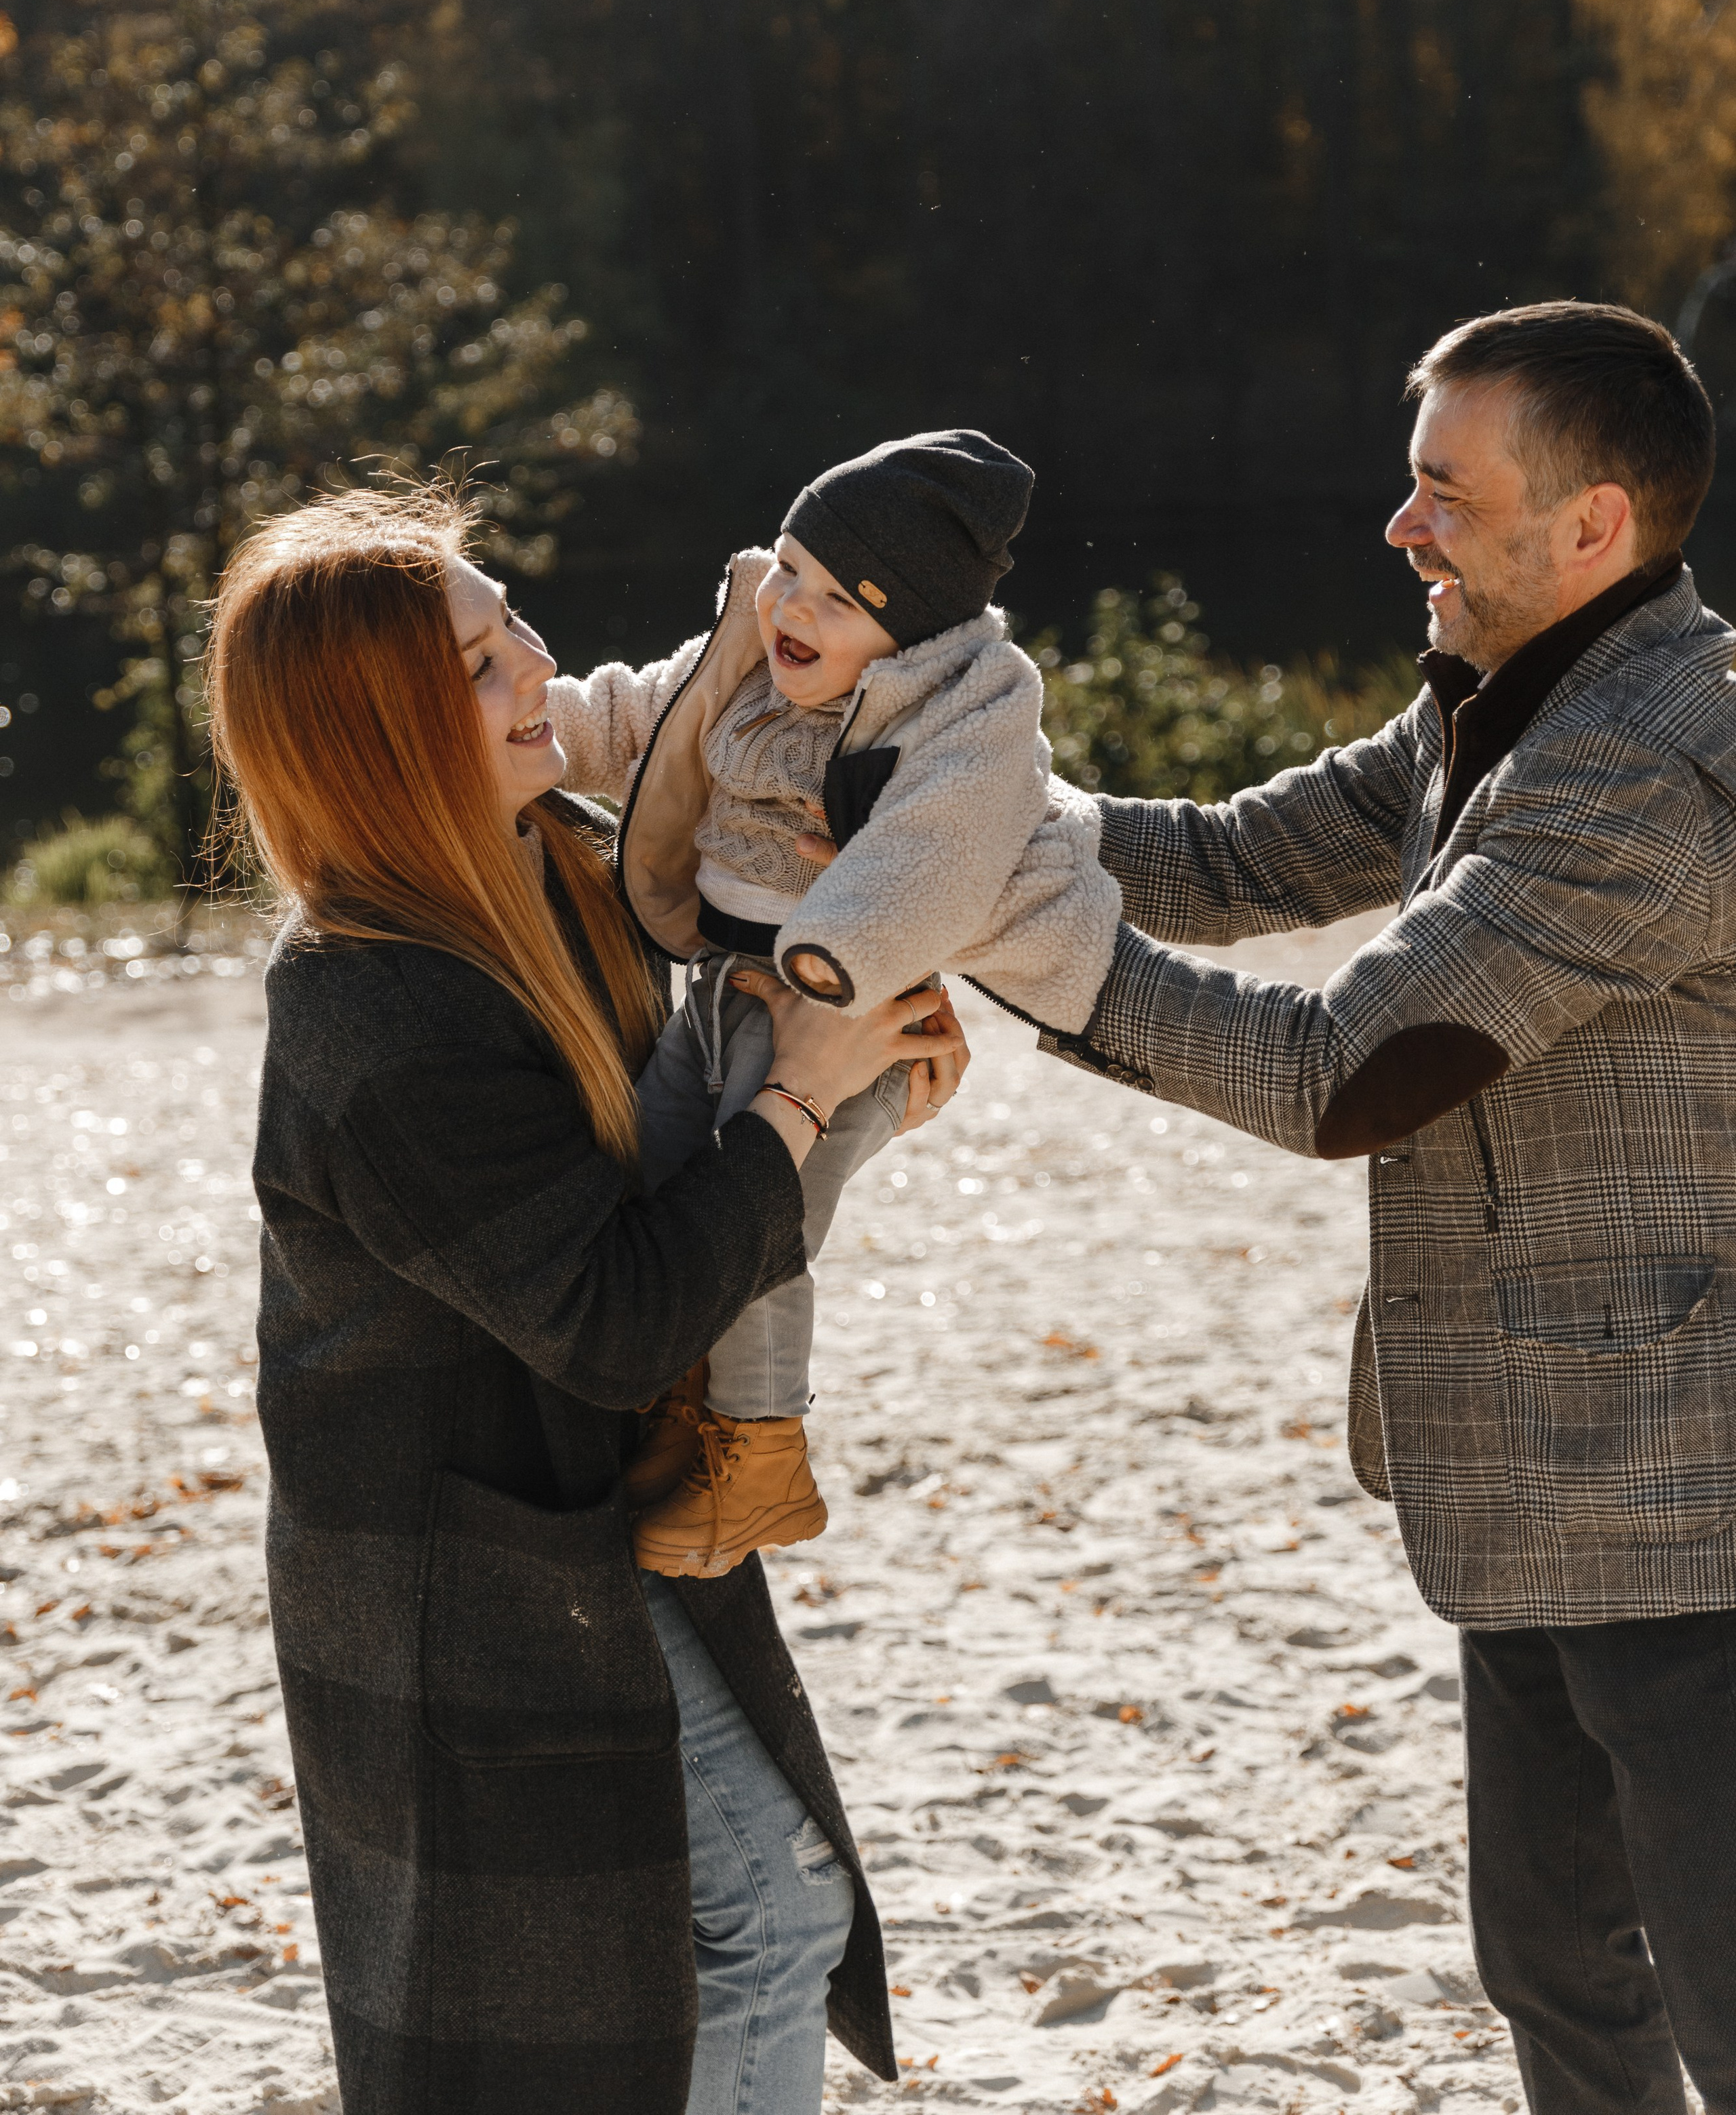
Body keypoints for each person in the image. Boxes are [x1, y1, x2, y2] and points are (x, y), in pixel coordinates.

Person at [1041, 302, 1736, 2114]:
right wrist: (936, 811)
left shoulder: (1635, 772)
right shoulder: (1515, 701)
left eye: (1442, 487)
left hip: (1691, 1494)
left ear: (1588, 528)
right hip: (1535, 1457)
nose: (1400, 523)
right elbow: (1224, 860)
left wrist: (1015, 948)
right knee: (1560, 1975)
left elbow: (1346, 1072)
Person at [203, 485, 968, 2115]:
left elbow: (690, 1140)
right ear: (382, 740)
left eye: (511, 623)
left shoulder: (571, 864)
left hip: (586, 1502)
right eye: (481, 664)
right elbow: (616, 1312)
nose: (538, 667)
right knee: (724, 1941)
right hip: (453, 1572)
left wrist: (850, 1059)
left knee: (711, 1950)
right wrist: (798, 1104)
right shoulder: (367, 1009)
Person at [549, 428, 1120, 1577]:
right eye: (789, 573)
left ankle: (760, 1459)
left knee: (762, 1225)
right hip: (719, 990)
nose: (791, 610)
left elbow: (942, 846)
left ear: (908, 629)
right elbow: (630, 722)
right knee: (658, 1181)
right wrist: (513, 726)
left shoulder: (949, 720)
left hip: (839, 1016)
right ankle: (679, 1403)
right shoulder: (747, 670)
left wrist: (839, 963)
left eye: (835, 598)